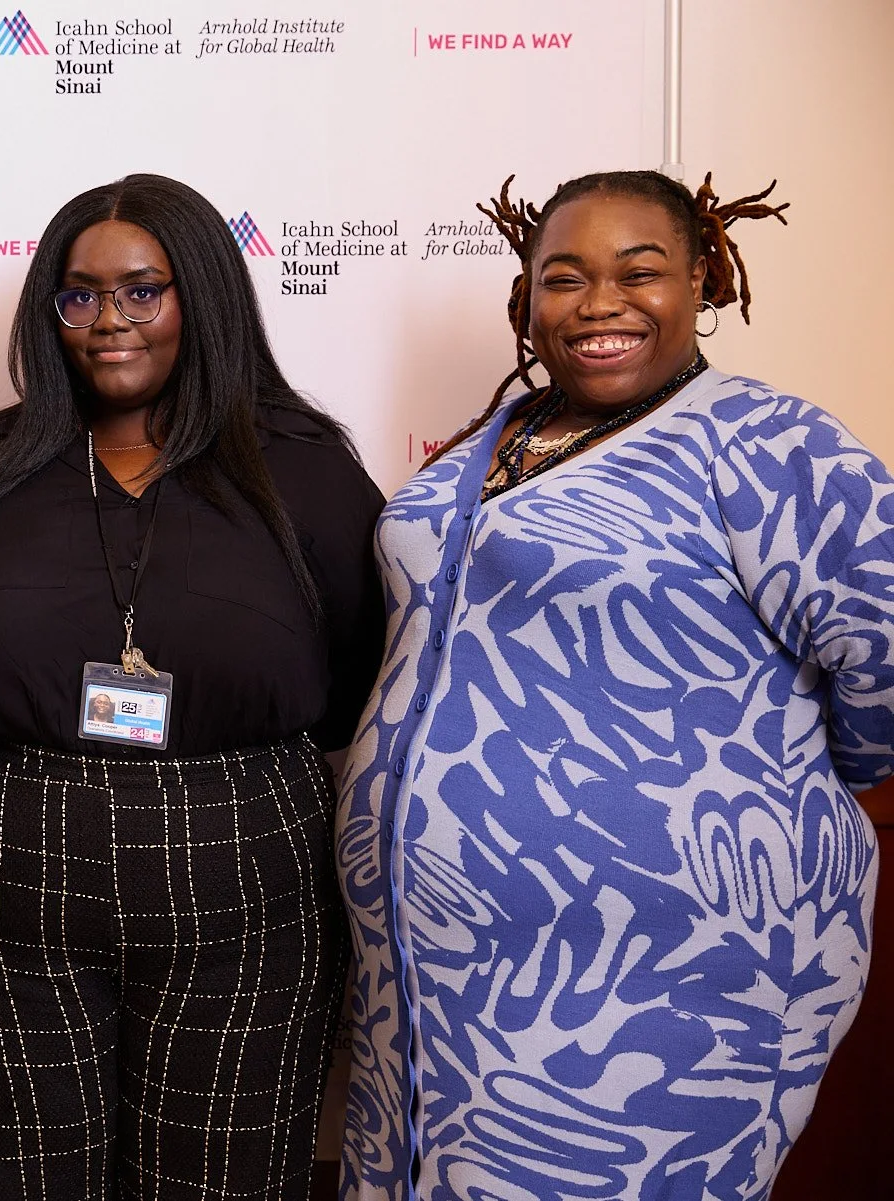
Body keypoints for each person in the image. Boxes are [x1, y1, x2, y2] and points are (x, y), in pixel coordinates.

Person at [337, 170, 893, 1200]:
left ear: (706, 276)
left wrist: (798, 777)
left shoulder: (768, 443)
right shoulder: (498, 436)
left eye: (640, 272)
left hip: (662, 980)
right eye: (564, 277)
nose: (599, 303)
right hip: (439, 985)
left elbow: (887, 647)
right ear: (527, 299)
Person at [0, 173, 385, 1199]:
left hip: (244, 872)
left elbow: (355, 683)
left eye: (141, 290)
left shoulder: (303, 468)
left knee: (225, 1178)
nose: (107, 320)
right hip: (6, 874)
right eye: (78, 295)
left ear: (199, 295)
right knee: (18, 1176)